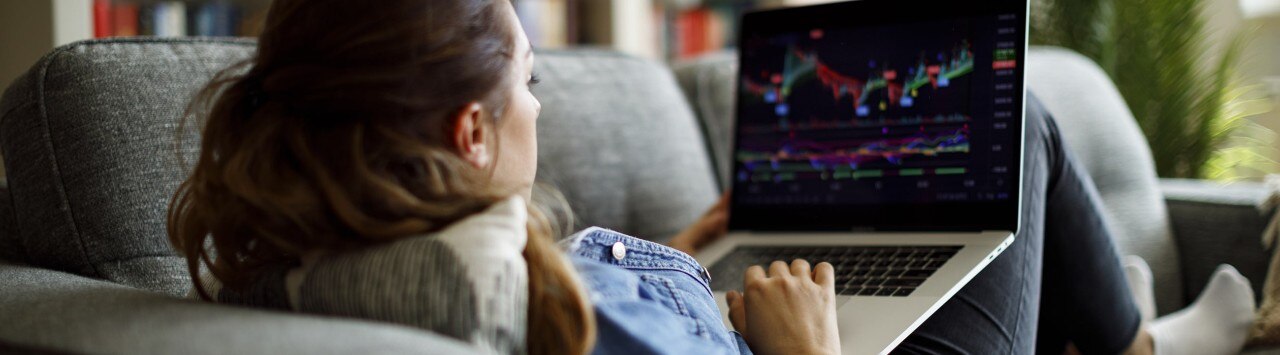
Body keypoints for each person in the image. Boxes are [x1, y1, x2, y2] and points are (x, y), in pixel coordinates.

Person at [166, 0, 1255, 354]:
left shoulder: (331, 261)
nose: (540, 108)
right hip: (802, 341)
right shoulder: (488, 283)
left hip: (743, 295)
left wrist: (679, 259)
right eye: (531, 87)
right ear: (467, 131)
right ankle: (1135, 345)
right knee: (1014, 119)